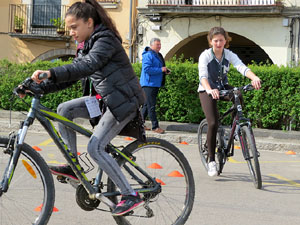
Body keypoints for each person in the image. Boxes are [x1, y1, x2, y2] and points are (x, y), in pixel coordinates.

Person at [27, 0, 146, 216]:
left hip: (123, 101)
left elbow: (86, 66)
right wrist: (38, 86)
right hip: (103, 101)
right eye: (69, 28)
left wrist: (51, 72)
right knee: (64, 109)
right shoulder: (86, 45)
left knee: (95, 148)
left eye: (74, 27)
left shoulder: (106, 40)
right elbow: (73, 75)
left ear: (89, 22)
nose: (70, 32)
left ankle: (130, 195)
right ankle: (74, 166)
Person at [198, 27, 261, 177]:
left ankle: (237, 127)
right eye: (215, 41)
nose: (218, 43)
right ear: (211, 41)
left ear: (225, 41)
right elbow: (203, 76)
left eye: (221, 40)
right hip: (207, 90)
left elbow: (241, 67)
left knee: (238, 94)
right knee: (213, 123)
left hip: (222, 87)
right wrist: (209, 90)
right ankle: (212, 161)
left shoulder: (228, 54)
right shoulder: (205, 55)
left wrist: (254, 78)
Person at [140, 38, 170, 134]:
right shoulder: (148, 55)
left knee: (146, 105)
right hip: (149, 84)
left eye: (160, 44)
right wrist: (161, 70)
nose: (159, 46)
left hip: (154, 83)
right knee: (151, 105)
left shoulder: (156, 55)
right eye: (157, 44)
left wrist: (164, 70)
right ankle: (155, 126)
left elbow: (156, 68)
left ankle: (139, 125)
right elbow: (147, 69)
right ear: (151, 45)